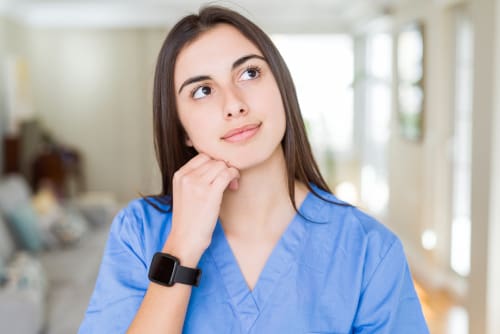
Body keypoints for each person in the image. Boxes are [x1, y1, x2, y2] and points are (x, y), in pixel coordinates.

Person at [79, 5, 429, 334]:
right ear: (182, 128)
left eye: (249, 73)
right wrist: (182, 247)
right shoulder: (138, 232)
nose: (234, 104)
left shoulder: (369, 251)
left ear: (282, 87)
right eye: (203, 90)